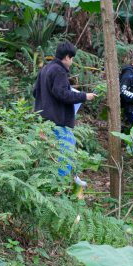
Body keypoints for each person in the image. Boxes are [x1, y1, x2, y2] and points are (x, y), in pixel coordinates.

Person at [33, 42, 96, 187]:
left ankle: (69, 179)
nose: (72, 62)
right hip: (57, 119)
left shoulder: (45, 69)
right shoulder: (59, 71)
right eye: (72, 58)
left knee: (54, 152)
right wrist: (84, 96)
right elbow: (62, 94)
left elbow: (35, 92)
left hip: (44, 119)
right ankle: (63, 185)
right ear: (67, 57)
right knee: (65, 151)